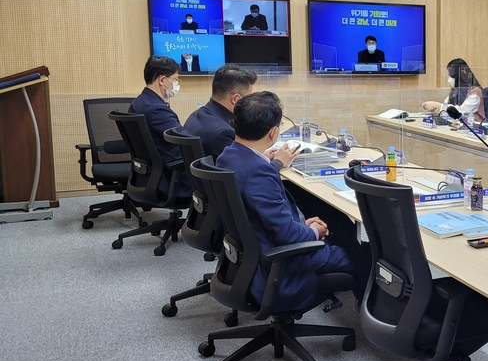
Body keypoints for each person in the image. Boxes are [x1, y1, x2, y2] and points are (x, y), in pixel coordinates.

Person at [216, 92, 370, 311]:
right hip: (284, 261)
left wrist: (301, 225)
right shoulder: (258, 173)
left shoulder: (227, 156)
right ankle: (371, 319)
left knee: (341, 230)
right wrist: (313, 231)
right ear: (273, 132)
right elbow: (288, 236)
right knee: (367, 255)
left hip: (255, 253)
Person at [129, 55, 191, 197]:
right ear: (162, 80)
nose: (176, 84)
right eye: (175, 79)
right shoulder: (156, 110)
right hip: (171, 176)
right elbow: (184, 140)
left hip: (150, 174)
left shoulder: (139, 103)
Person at [183, 65, 258, 159]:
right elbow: (244, 168)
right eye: (248, 97)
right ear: (236, 99)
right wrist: (277, 162)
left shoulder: (198, 114)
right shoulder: (223, 133)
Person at [420, 58, 485, 124]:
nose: (448, 79)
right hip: (455, 125)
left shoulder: (475, 93)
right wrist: (435, 108)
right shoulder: (456, 91)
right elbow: (446, 105)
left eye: (450, 76)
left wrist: (437, 105)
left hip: (473, 128)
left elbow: (462, 111)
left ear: (458, 76)